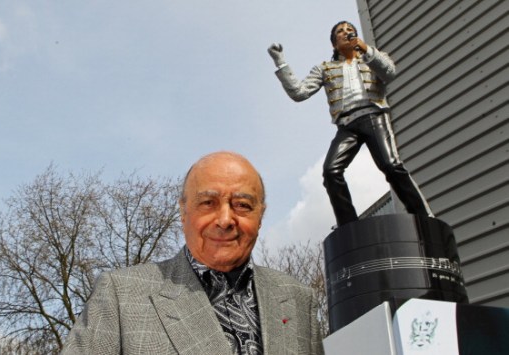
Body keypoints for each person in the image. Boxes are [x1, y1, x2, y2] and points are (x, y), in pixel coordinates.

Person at [61, 151, 323, 355]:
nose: (225, 219)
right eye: (208, 203)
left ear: (261, 215)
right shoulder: (121, 295)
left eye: (242, 205)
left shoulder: (298, 299)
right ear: (183, 212)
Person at [268, 21, 434, 227]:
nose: (347, 33)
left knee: (390, 165)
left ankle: (423, 216)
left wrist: (366, 49)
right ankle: (348, 225)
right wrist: (281, 62)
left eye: (350, 30)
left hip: (373, 116)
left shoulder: (371, 59)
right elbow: (299, 93)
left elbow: (389, 73)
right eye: (341, 31)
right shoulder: (326, 68)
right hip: (347, 125)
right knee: (331, 171)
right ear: (334, 45)